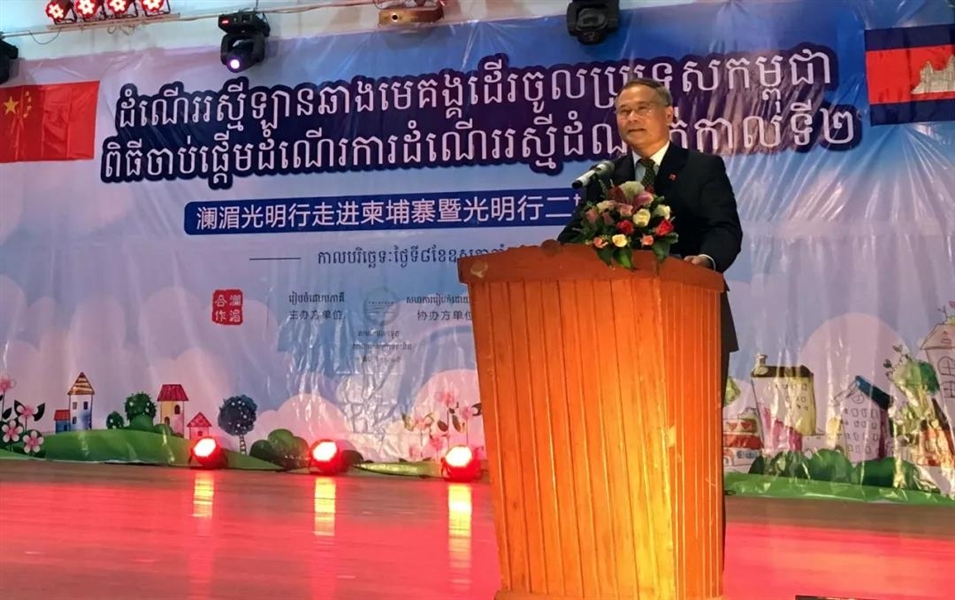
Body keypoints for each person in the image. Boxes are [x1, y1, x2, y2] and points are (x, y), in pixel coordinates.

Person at [556, 77, 743, 399]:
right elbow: (573, 236)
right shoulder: (605, 176)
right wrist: (558, 257)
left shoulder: (702, 168)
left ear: (669, 114)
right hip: (615, 320)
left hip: (691, 312)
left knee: (692, 410)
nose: (632, 118)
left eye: (643, 108)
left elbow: (724, 229)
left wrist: (705, 262)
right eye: (623, 111)